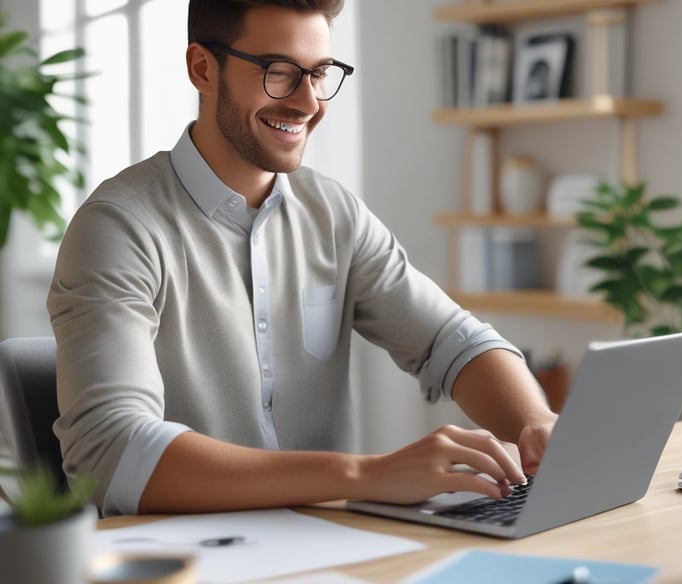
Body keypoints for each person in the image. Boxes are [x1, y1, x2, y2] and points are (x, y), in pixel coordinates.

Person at [47, 0, 558, 517]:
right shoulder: (118, 227)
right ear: (203, 69)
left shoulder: (333, 212)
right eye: (279, 72)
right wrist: (367, 475)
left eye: (318, 73)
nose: (308, 101)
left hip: (332, 542)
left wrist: (534, 422)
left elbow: (450, 339)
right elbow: (111, 452)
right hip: (193, 558)